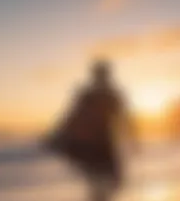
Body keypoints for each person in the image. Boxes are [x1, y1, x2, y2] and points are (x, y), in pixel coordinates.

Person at [46, 60, 135, 193]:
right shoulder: (89, 95)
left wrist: (131, 135)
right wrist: (58, 135)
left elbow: (124, 117)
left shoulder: (110, 95)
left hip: (103, 144)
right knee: (99, 181)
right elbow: (73, 116)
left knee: (109, 181)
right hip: (93, 146)